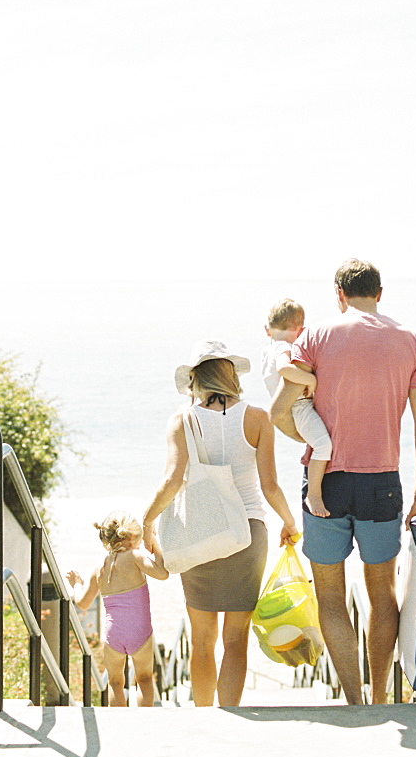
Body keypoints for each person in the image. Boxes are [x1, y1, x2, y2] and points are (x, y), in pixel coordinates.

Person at [270, 259, 416, 705]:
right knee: (381, 592)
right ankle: (379, 694)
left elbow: (280, 410)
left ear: (338, 294)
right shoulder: (411, 341)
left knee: (330, 594)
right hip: (382, 481)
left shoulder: (318, 336)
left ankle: (354, 701)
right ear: (380, 293)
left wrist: (309, 440)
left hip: (325, 481)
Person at [143, 340, 298, 707]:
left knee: (201, 640)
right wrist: (290, 522)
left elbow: (173, 480)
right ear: (232, 376)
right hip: (247, 534)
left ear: (195, 381)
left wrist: (148, 521)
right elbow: (270, 486)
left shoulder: (183, 420)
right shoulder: (258, 418)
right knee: (234, 640)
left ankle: (203, 716)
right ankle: (231, 714)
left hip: (198, 533)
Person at [67, 512, 168, 707]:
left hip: (114, 635)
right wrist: (154, 543)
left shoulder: (100, 568)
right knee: (145, 679)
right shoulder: (135, 556)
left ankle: (119, 724)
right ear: (131, 538)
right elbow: (162, 573)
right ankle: (145, 722)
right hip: (140, 632)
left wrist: (76, 584)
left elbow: (82, 603)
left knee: (115, 683)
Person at [261, 298, 332, 517]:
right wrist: (310, 381)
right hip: (299, 406)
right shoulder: (285, 347)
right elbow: (284, 368)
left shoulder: (269, 348)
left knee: (318, 443)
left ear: (267, 330)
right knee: (323, 446)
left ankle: (313, 491)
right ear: (300, 329)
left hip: (295, 407)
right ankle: (314, 494)